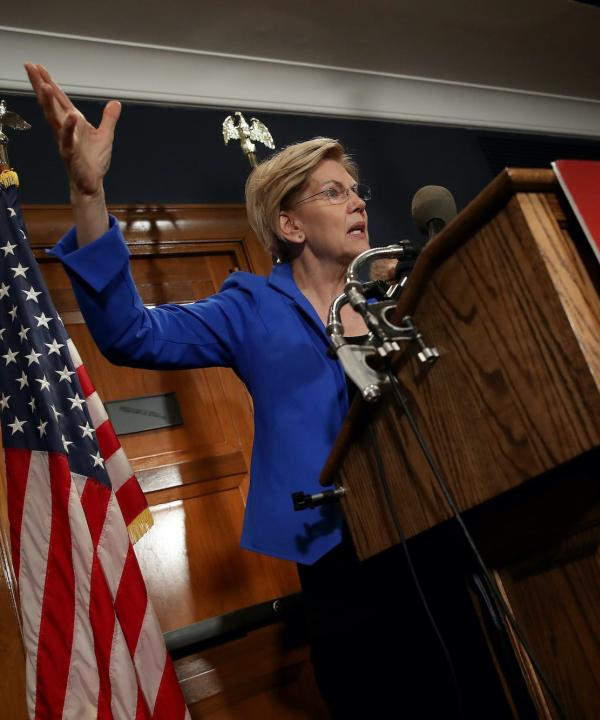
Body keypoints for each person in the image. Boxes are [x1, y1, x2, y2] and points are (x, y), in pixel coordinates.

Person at [25, 63, 505, 719]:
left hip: (441, 537)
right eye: (334, 193)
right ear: (291, 226)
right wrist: (88, 191)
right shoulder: (248, 307)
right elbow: (128, 334)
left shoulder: (403, 293)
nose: (359, 202)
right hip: (344, 568)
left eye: (357, 191)